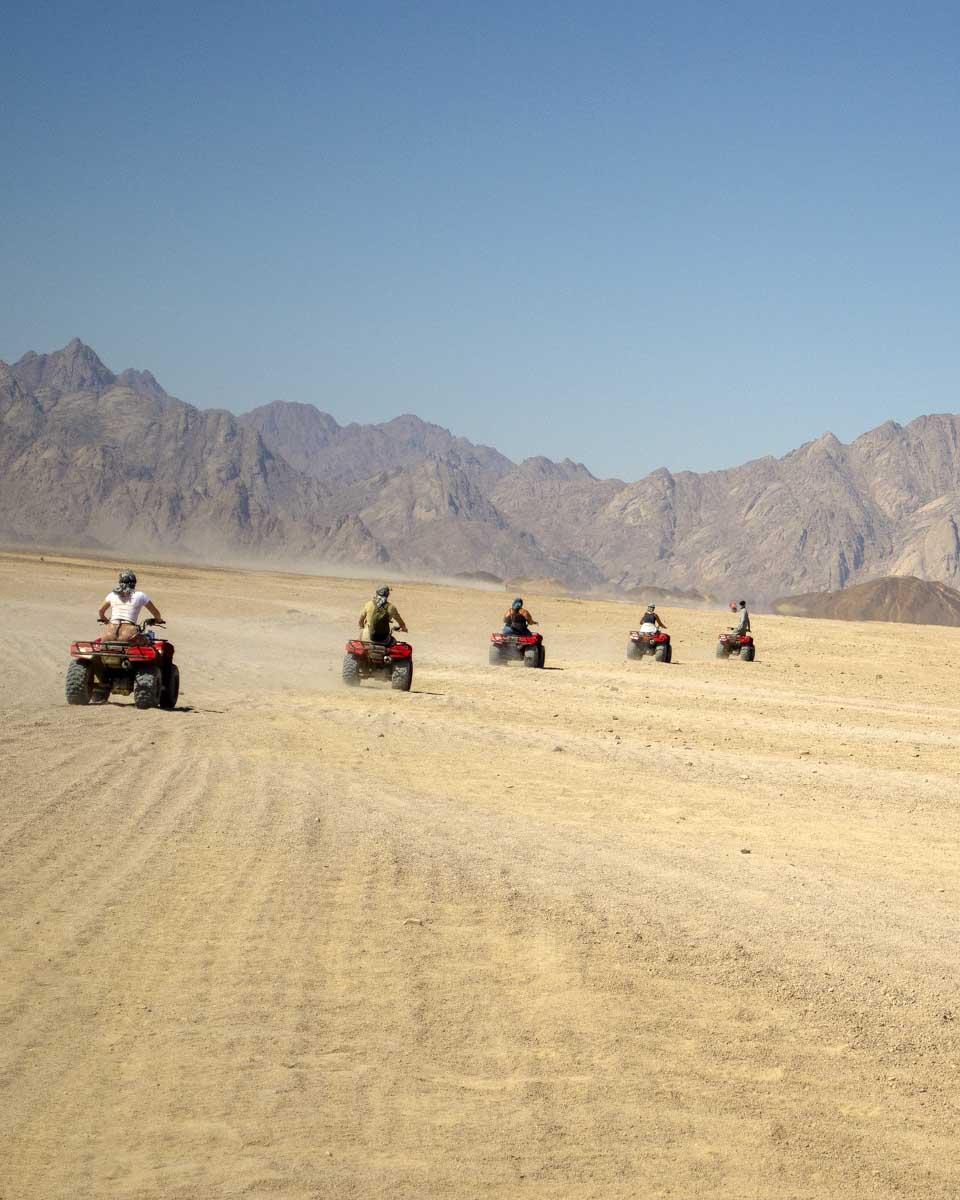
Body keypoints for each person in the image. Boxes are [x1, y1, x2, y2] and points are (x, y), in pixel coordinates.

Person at [97, 570, 163, 642]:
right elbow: (156, 613)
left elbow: (101, 610)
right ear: (134, 583)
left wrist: (105, 620)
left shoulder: (112, 595)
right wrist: (158, 620)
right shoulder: (140, 595)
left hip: (110, 634)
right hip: (129, 634)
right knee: (149, 643)